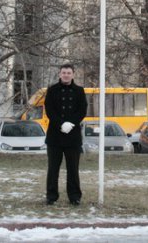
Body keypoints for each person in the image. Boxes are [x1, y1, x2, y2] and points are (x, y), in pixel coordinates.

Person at [44, 63, 88, 206]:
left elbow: (82, 110)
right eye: (64, 72)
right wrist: (61, 124)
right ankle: (51, 196)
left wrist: (72, 123)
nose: (66, 75)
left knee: (73, 169)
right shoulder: (52, 90)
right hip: (55, 136)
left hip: (73, 136)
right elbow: (49, 110)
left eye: (69, 73)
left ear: (73, 74)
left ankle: (74, 197)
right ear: (59, 74)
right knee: (53, 169)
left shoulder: (80, 91)